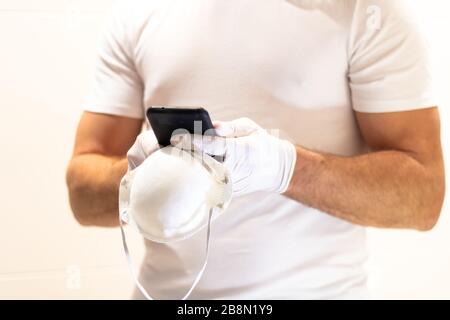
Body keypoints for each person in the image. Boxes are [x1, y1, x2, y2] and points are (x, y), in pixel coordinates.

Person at [66, 0, 445, 299]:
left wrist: (284, 168)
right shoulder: (139, 13)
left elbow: (423, 196)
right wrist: (141, 175)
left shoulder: (366, 11)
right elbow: (82, 194)